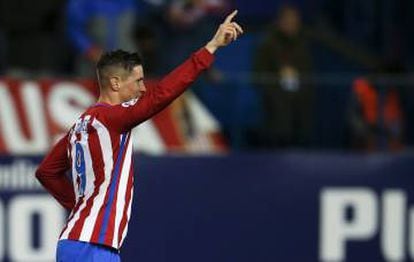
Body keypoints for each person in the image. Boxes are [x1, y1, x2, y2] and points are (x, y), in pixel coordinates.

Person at [35, 10, 243, 261]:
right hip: (93, 247)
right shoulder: (113, 118)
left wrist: (81, 210)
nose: (144, 88)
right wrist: (210, 48)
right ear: (115, 83)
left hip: (74, 243)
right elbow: (162, 95)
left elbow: (46, 171)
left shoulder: (81, 125)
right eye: (138, 81)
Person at [253, 4, 313, 148]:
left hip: (300, 107)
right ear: (280, 21)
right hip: (275, 107)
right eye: (288, 20)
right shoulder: (267, 44)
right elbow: (258, 74)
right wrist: (278, 78)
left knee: (300, 140)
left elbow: (309, 75)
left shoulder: (303, 45)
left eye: (295, 21)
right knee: (278, 138)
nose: (292, 24)